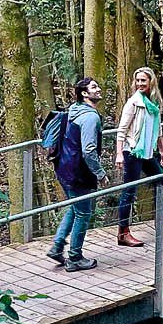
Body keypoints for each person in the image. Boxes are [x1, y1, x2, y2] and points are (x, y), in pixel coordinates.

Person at [46, 78, 107, 269]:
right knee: (83, 213)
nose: (98, 89)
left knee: (75, 208)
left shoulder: (74, 109)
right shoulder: (90, 117)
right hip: (78, 172)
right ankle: (75, 258)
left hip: (64, 167)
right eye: (94, 87)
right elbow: (89, 150)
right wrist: (100, 173)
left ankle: (57, 247)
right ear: (84, 93)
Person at [114, 66, 163, 246]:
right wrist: (119, 154)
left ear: (150, 82)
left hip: (147, 153)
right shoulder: (133, 103)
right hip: (132, 152)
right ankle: (123, 233)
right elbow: (121, 130)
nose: (140, 84)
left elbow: (157, 129)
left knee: (161, 182)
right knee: (129, 191)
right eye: (137, 80)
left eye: (143, 80)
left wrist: (161, 151)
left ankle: (162, 218)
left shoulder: (153, 103)